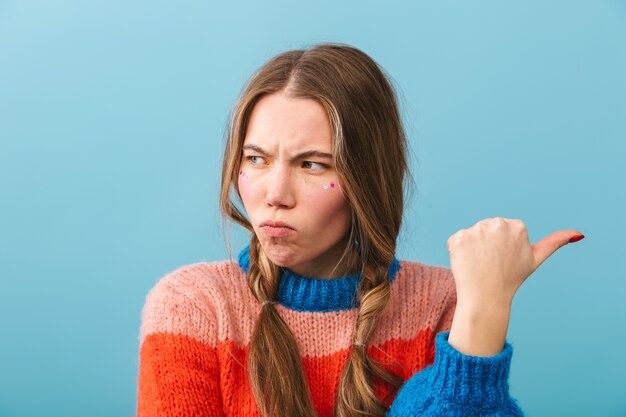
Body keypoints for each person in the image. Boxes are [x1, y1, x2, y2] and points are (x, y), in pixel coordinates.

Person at [135, 43, 584, 417]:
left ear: (368, 177)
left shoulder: (444, 307)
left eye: (312, 165)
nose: (275, 194)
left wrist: (481, 321)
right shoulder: (191, 308)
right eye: (256, 159)